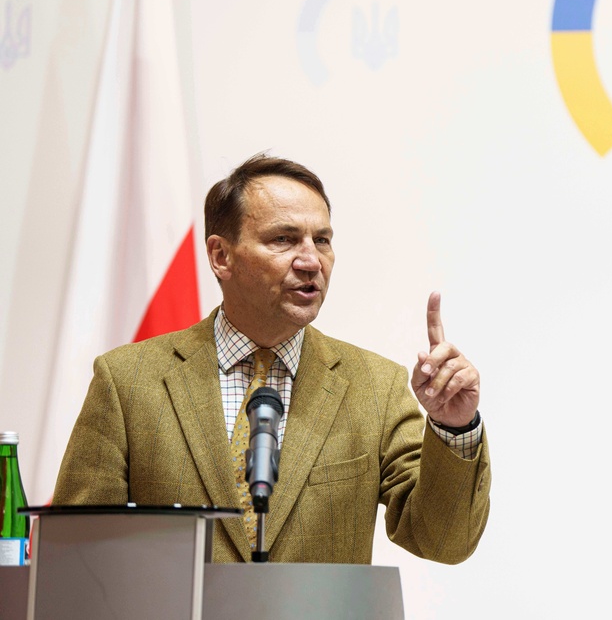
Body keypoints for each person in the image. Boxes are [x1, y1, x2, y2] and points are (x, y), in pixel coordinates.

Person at [52, 153, 490, 564]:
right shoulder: (127, 381)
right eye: (284, 239)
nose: (310, 261)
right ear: (221, 256)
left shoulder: (375, 386)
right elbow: (77, 552)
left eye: (322, 240)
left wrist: (454, 427)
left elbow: (443, 541)